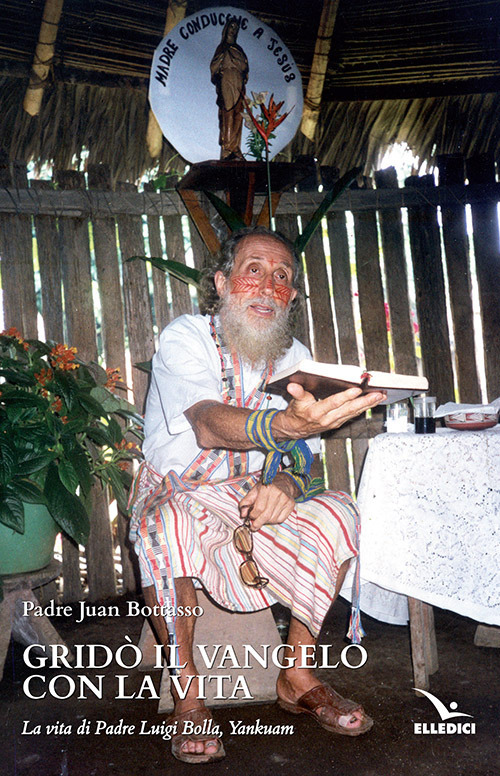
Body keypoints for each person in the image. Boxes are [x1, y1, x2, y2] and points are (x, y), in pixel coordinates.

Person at [129, 226, 385, 763]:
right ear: (222, 283)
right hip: (184, 491)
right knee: (167, 520)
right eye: (253, 271)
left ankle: (295, 674)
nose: (267, 286)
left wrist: (287, 484)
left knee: (340, 511)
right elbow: (207, 424)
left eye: (282, 277)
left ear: (291, 297)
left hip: (253, 496)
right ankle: (189, 697)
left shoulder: (295, 356)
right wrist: (286, 428)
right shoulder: (187, 336)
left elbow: (305, 456)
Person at [210, 18, 249, 160]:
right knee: (228, 113)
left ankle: (236, 147)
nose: (233, 30)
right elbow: (214, 66)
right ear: (226, 29)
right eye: (231, 27)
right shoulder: (222, 49)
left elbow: (245, 68)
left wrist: (241, 73)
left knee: (238, 113)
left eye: (236, 28)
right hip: (226, 80)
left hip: (238, 82)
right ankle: (227, 148)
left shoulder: (239, 50)